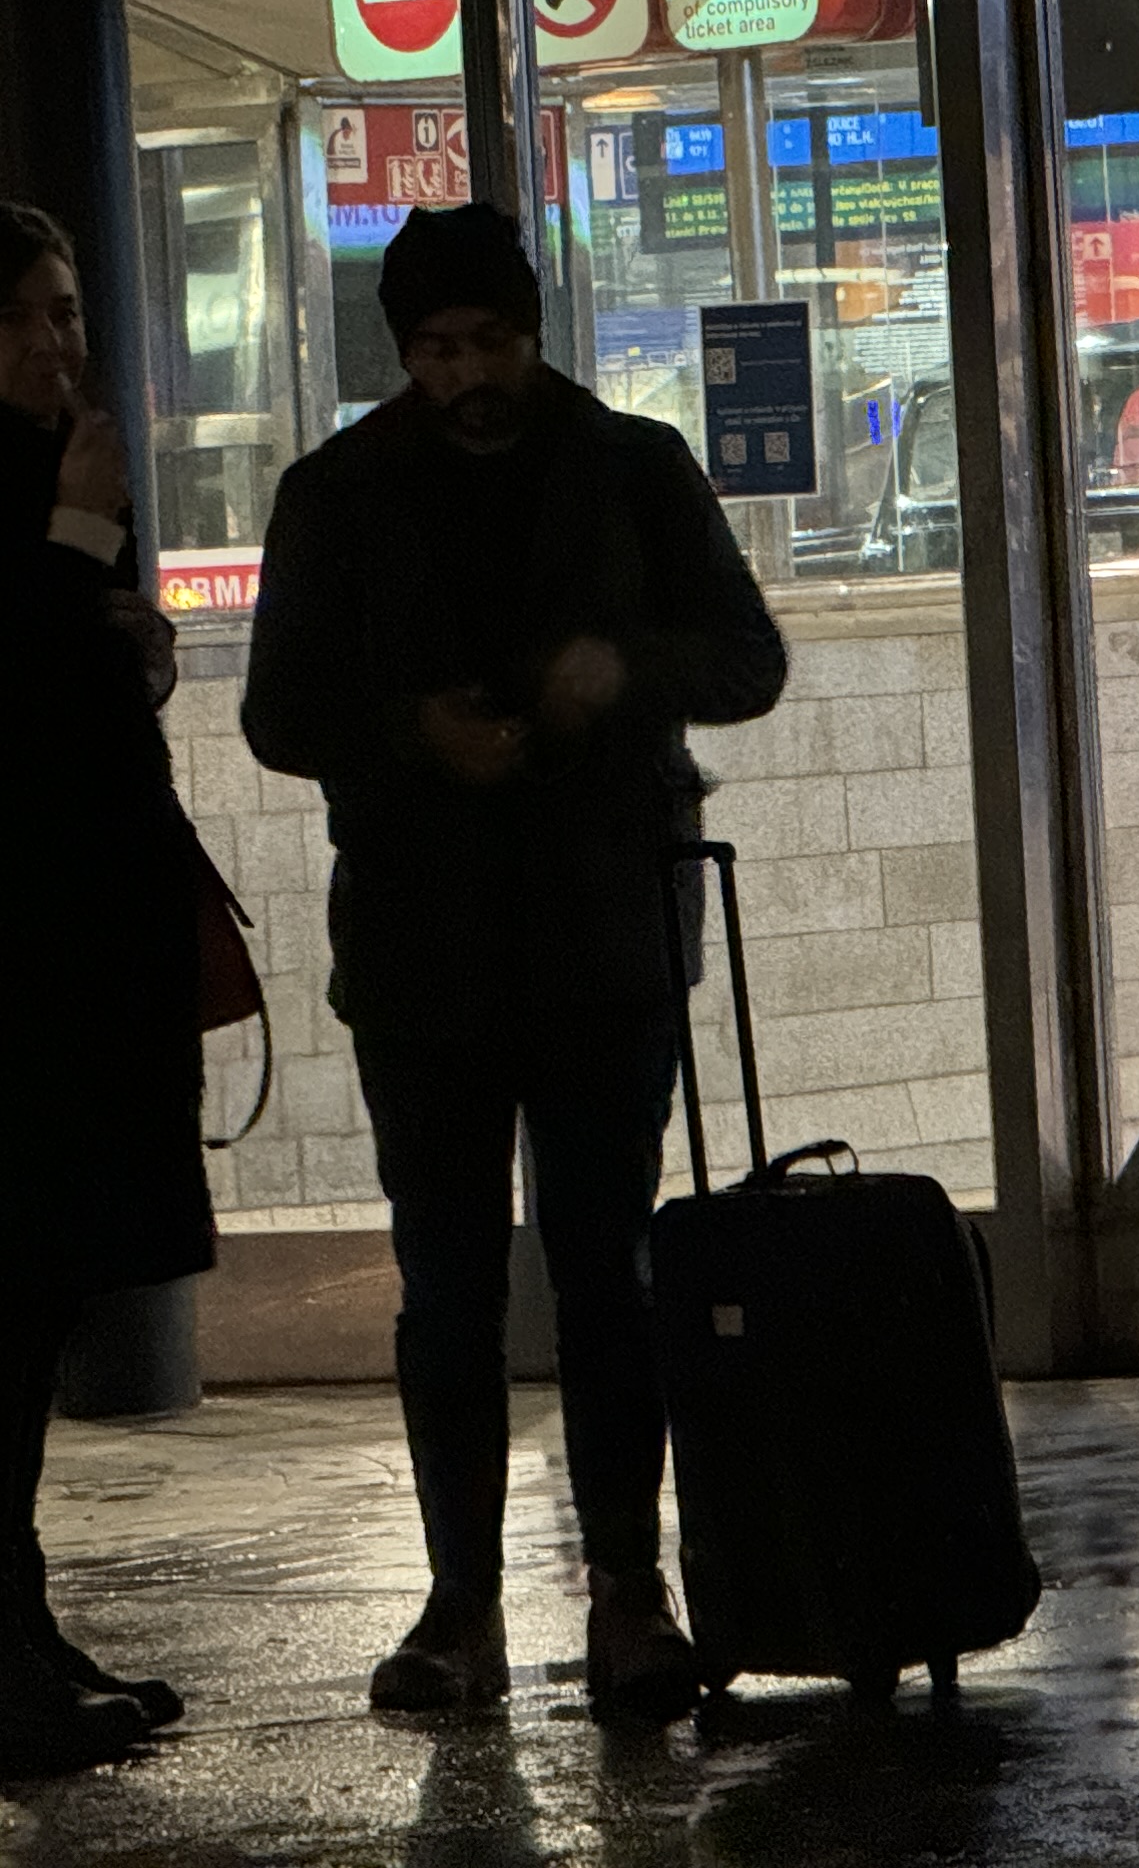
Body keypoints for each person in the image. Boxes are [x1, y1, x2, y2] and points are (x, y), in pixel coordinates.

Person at [242, 207, 786, 1720]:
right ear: (402, 355)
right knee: (448, 1288)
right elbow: (278, 712)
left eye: (488, 344)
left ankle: (627, 1587)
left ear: (533, 336)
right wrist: (416, 732)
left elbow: (747, 656)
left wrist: (626, 670)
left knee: (606, 1271)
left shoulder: (632, 469)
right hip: (427, 950)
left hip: (599, 930)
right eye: (435, 352)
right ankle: (460, 1602)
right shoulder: (339, 494)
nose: (467, 376)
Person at [0, 203, 208, 1776]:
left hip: (77, 978)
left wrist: (126, 639)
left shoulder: (58, 489)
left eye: (66, 317)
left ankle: (26, 1632)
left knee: (34, 1320)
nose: (58, 348)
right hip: (13, 996)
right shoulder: (50, 503)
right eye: (25, 322)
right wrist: (80, 561)